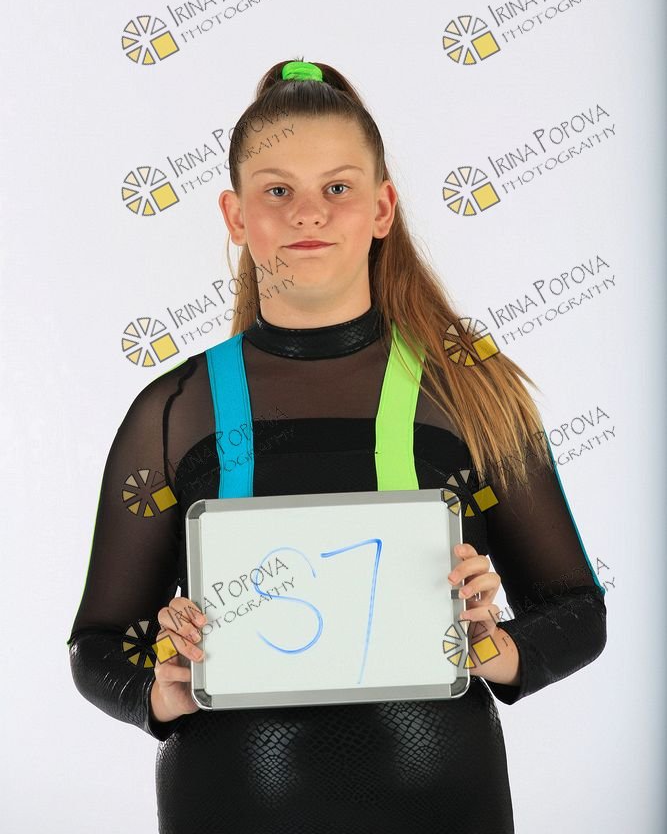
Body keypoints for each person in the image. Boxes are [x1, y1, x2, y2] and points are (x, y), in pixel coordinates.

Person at [67, 58, 607, 834]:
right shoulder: (175, 410)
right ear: (235, 215)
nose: (307, 214)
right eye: (276, 191)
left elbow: (576, 611)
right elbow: (98, 644)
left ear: (381, 208)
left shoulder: (470, 392)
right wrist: (156, 687)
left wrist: (493, 646)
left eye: (338, 188)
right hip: (228, 804)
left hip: (443, 803)